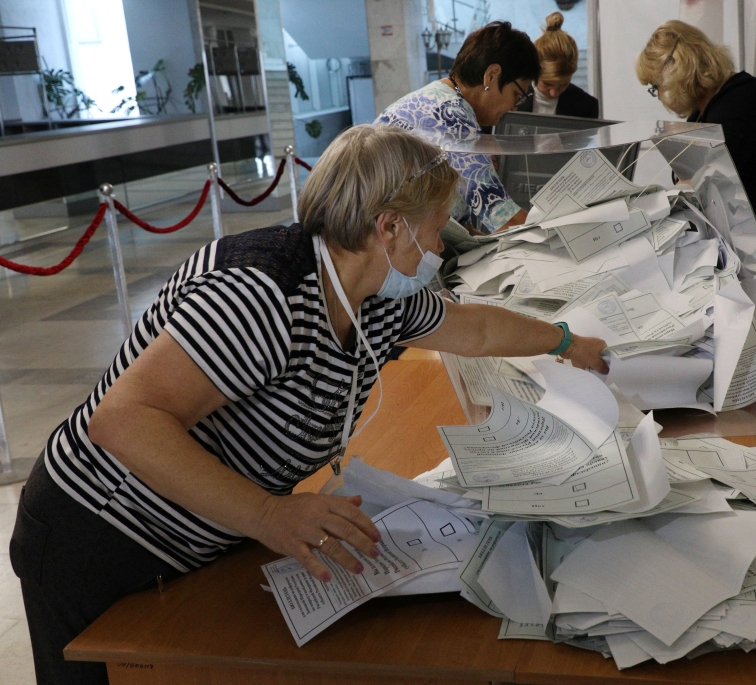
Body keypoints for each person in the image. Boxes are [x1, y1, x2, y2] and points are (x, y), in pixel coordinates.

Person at [9, 125, 607, 685]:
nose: (439, 247)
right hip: (96, 534)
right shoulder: (260, 294)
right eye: (437, 227)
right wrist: (268, 516)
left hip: (203, 530)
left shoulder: (372, 294)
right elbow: (124, 420)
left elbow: (470, 329)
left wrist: (567, 342)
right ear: (390, 228)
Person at [635, 20, 756, 301]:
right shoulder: (709, 109)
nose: (659, 94)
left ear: (678, 71)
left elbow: (704, 182)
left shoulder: (744, 102)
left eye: (656, 86)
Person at [375, 21, 539, 234]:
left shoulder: (439, 99)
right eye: (517, 96)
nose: (513, 109)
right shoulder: (451, 114)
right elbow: (502, 217)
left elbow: (455, 218)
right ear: (491, 75)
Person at [517, 12, 599, 119]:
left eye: (563, 84)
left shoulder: (586, 106)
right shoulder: (511, 98)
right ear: (534, 71)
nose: (554, 93)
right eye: (547, 84)